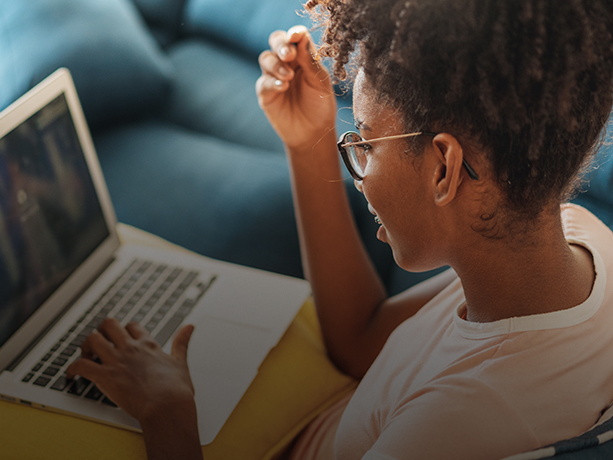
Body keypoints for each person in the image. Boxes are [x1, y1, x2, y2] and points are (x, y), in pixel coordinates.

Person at [66, 0, 613, 458]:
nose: (359, 170)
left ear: (444, 168)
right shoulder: (581, 239)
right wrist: (309, 142)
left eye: (367, 142)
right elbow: (360, 339)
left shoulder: (446, 430)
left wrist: (168, 415)